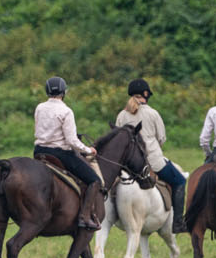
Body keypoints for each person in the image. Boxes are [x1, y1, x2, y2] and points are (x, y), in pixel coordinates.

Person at [114, 78, 188, 231]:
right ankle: (178, 222)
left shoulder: (122, 115)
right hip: (153, 162)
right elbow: (161, 138)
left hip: (128, 165)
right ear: (146, 95)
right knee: (180, 181)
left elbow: (117, 139)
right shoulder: (153, 113)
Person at [33, 76, 104, 230]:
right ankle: (84, 217)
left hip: (39, 152)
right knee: (94, 180)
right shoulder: (66, 111)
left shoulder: (39, 107)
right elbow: (71, 141)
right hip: (59, 154)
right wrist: (88, 150)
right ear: (64, 92)